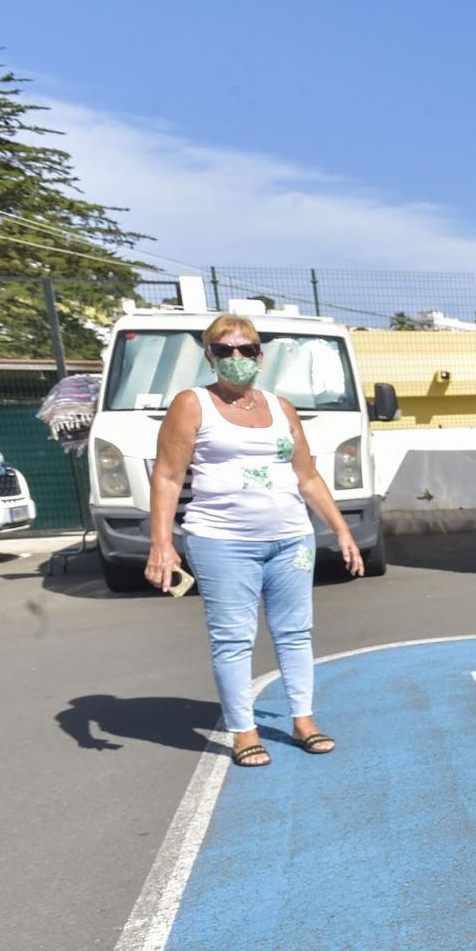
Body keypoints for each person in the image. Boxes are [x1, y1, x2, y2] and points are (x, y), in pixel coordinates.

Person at [145, 314, 366, 768]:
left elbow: (306, 476)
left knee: (295, 633)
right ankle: (243, 731)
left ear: (260, 356)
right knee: (233, 639)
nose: (236, 358)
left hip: (291, 539)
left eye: (246, 349)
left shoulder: (280, 408)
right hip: (221, 541)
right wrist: (161, 544)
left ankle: (303, 720)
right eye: (224, 350)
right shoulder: (192, 405)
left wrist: (342, 530)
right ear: (209, 356)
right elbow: (168, 476)